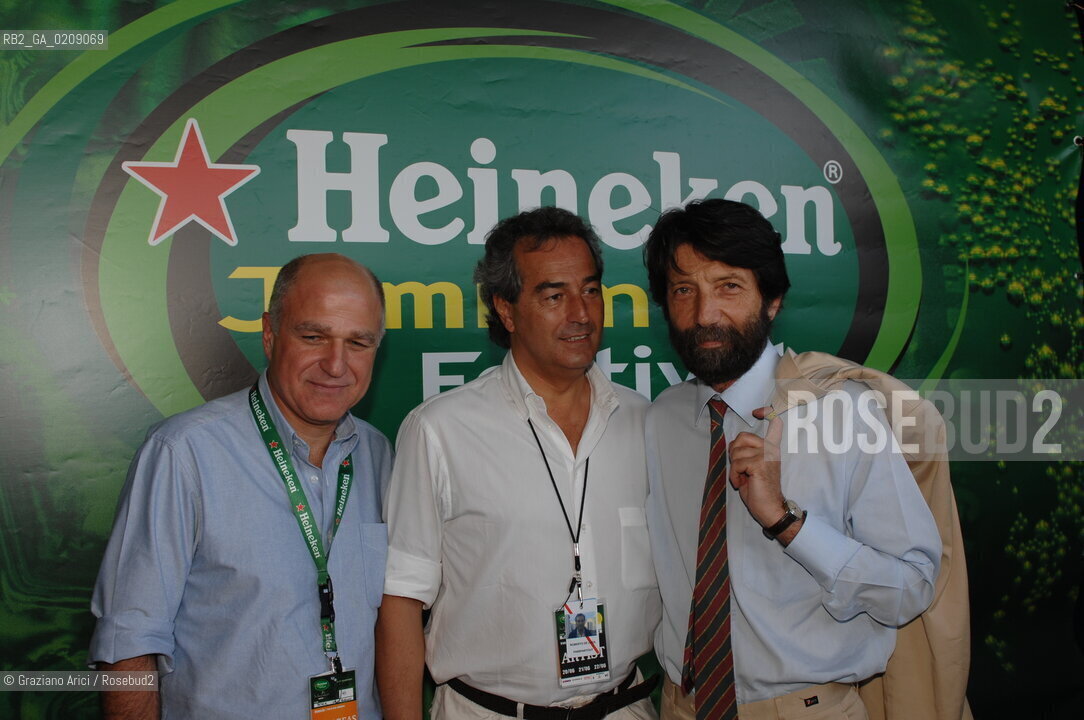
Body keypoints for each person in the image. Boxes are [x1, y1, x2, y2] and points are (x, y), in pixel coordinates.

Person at [642, 199, 943, 720]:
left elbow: (911, 588)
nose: (704, 314)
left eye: (729, 287)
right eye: (683, 290)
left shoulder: (844, 415)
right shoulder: (662, 418)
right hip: (680, 705)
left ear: (773, 300)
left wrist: (786, 522)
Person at [377, 207, 661, 720]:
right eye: (554, 295)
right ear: (506, 311)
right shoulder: (440, 430)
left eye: (591, 290)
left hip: (625, 707)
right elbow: (401, 601)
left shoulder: (646, 423)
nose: (581, 312)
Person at [89, 253, 392, 720]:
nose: (336, 364)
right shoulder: (184, 453)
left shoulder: (379, 456)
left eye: (358, 342)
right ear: (270, 334)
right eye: (313, 336)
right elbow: (129, 642)